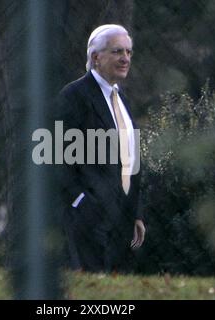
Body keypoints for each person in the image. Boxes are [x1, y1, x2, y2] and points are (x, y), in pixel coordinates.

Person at [54, 24, 145, 273]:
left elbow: (131, 157)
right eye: (117, 51)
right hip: (89, 217)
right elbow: (55, 156)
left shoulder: (121, 99)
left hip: (123, 219)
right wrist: (80, 202)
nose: (125, 58)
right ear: (96, 57)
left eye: (128, 52)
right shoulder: (74, 96)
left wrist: (135, 212)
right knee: (91, 289)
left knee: (117, 293)